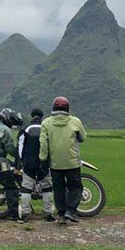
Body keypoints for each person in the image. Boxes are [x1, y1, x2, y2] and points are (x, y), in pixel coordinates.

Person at [39, 96, 86, 225]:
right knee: (75, 186)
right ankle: (71, 211)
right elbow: (83, 137)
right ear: (67, 108)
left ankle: (61, 214)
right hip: (72, 161)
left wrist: (43, 160)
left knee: (58, 188)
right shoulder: (75, 121)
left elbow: (43, 143)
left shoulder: (46, 123)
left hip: (55, 163)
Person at [17, 108, 55, 222]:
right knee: (47, 188)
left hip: (29, 163)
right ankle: (48, 214)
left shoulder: (26, 129)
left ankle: (25, 214)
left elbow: (20, 148)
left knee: (26, 188)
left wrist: (20, 162)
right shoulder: (47, 129)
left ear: (31, 116)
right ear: (42, 117)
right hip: (43, 163)